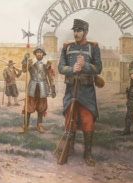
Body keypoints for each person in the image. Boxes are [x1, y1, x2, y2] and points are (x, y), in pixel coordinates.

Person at [57, 18, 105, 164]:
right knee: (69, 118)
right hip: (71, 89)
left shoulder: (93, 47)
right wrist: (72, 69)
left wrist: (85, 66)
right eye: (75, 31)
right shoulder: (67, 47)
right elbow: (60, 67)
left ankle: (87, 154)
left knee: (87, 120)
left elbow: (98, 68)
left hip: (86, 90)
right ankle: (69, 148)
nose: (76, 33)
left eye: (79, 31)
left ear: (86, 32)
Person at [22, 46, 55, 132]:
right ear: (35, 54)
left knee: (41, 107)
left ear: (43, 54)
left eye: (41, 52)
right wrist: (25, 60)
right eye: (37, 52)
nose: (39, 54)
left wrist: (53, 89)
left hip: (42, 87)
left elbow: (50, 77)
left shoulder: (47, 64)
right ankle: (26, 125)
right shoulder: (31, 63)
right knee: (28, 106)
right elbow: (24, 70)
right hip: (32, 87)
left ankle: (39, 125)